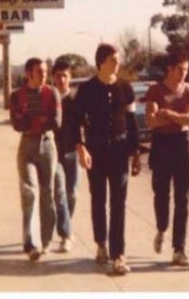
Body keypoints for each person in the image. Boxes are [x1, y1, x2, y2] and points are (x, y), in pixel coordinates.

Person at [71, 43, 142, 275]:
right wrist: (81, 148)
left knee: (119, 202)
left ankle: (118, 254)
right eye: (113, 59)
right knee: (99, 199)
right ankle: (101, 242)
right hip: (96, 151)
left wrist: (136, 153)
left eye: (118, 59)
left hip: (120, 151)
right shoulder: (87, 90)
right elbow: (75, 122)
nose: (117, 63)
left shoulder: (125, 88)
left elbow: (132, 123)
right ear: (101, 62)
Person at [144, 52, 189, 266]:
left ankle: (179, 249)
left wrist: (169, 115)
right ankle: (161, 229)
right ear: (169, 68)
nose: (183, 74)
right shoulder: (155, 90)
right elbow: (151, 121)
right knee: (161, 194)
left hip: (181, 144)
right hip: (161, 145)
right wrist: (177, 117)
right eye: (180, 70)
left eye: (186, 70)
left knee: (182, 198)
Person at [9, 57, 61, 261]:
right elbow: (17, 124)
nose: (44, 75)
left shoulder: (52, 93)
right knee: (30, 192)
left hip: (48, 145)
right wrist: (39, 119)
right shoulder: (16, 96)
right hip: (27, 145)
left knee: (47, 192)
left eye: (45, 71)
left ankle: (46, 239)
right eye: (39, 71)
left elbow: (56, 122)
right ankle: (31, 243)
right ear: (28, 73)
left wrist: (30, 118)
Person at [51, 58, 79, 253]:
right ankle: (65, 235)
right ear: (54, 78)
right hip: (54, 155)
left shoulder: (76, 101)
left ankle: (66, 223)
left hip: (73, 153)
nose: (62, 79)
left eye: (65, 76)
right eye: (58, 75)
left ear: (70, 77)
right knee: (60, 193)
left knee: (73, 194)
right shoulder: (49, 99)